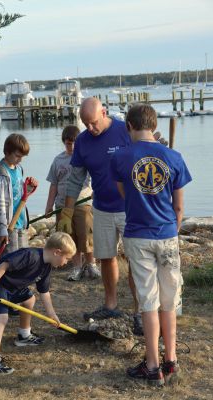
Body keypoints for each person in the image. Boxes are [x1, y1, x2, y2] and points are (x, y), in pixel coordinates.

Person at [111, 104, 192, 386]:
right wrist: (172, 228)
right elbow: (179, 206)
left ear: (129, 127)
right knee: (169, 301)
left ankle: (152, 364)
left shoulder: (121, 158)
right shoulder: (174, 157)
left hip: (138, 234)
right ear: (154, 124)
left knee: (148, 300)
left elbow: (125, 195)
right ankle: (171, 360)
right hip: (167, 233)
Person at [57, 97, 143, 335]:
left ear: (104, 113)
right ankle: (111, 304)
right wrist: (67, 210)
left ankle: (138, 311)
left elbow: (146, 153)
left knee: (136, 261)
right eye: (86, 124)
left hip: (130, 208)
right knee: (106, 257)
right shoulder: (83, 142)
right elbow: (75, 180)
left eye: (94, 122)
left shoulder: (125, 130)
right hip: (102, 208)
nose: (91, 128)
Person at [0, 231, 76, 374]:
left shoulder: (46, 267)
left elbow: (44, 292)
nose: (66, 262)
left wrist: (52, 314)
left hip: (13, 287)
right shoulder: (30, 255)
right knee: (2, 318)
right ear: (57, 252)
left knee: (30, 299)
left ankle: (24, 335)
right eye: (67, 258)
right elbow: (3, 266)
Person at [45, 125, 100, 281]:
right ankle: (77, 267)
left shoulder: (86, 158)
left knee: (86, 235)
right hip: (62, 205)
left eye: (75, 143)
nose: (72, 146)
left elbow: (96, 177)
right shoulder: (58, 160)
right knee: (69, 237)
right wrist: (49, 205)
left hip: (83, 203)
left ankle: (91, 265)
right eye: (69, 143)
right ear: (64, 142)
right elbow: (53, 184)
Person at [0, 133, 38, 255]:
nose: (20, 159)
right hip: (8, 225)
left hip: (20, 222)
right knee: (10, 260)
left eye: (22, 157)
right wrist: (1, 230)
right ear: (7, 152)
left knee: (22, 258)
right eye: (17, 156)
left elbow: (19, 194)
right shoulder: (1, 174)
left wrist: (29, 187)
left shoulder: (18, 169)